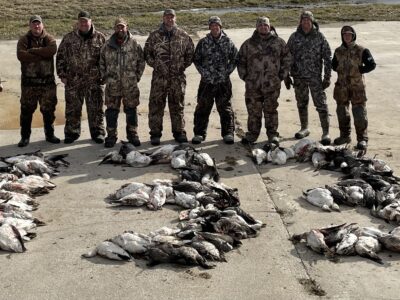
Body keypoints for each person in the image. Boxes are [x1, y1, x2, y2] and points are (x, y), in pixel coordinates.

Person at [144, 9, 194, 145]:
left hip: (177, 78)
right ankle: (155, 133)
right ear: (163, 18)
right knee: (156, 105)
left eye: (172, 17)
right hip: (159, 78)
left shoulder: (183, 35)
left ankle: (179, 132)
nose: (169, 19)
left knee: (177, 105)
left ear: (175, 18)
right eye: (167, 17)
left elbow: (190, 53)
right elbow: (147, 53)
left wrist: (182, 66)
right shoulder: (154, 36)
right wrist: (156, 65)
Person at [237, 17, 291, 145]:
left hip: (272, 85)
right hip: (253, 85)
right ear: (256, 27)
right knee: (253, 110)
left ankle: (272, 134)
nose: (263, 27)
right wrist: (245, 76)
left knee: (271, 110)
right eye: (260, 25)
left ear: (269, 26)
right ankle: (252, 134)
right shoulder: (248, 44)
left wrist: (281, 76)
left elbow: (287, 59)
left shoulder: (279, 42)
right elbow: (240, 61)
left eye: (265, 25)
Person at [56, 11, 106, 144]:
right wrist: (62, 75)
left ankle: (98, 133)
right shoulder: (69, 38)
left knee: (96, 109)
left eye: (86, 21)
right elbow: (60, 57)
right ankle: (72, 133)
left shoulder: (100, 38)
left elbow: (107, 59)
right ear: (78, 23)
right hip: (73, 81)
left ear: (91, 21)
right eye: (81, 21)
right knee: (72, 109)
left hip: (94, 81)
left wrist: (104, 76)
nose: (84, 24)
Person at [286, 11, 332, 145]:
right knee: (301, 103)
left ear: (312, 22)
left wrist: (327, 77)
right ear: (300, 22)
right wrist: (286, 76)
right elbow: (287, 57)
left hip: (315, 78)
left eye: (308, 20)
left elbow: (327, 57)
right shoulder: (294, 37)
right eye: (303, 20)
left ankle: (325, 132)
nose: (305, 22)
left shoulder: (319, 37)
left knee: (321, 105)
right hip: (298, 78)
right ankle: (304, 128)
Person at [100, 18, 145, 148]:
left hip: (130, 85)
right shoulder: (107, 45)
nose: (120, 29)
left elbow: (141, 61)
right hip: (112, 85)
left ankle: (132, 135)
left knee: (131, 110)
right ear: (114, 28)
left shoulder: (134, 44)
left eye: (122, 27)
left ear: (127, 27)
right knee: (111, 111)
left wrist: (136, 76)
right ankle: (111, 136)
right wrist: (105, 78)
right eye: (118, 27)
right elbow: (101, 63)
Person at [192, 16, 238, 145]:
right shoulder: (203, 42)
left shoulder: (228, 42)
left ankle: (228, 133)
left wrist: (227, 72)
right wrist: (204, 73)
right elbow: (196, 59)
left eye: (217, 25)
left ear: (220, 27)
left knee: (225, 108)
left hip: (223, 82)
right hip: (207, 81)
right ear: (209, 27)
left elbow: (235, 58)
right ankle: (199, 134)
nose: (215, 27)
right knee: (202, 107)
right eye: (212, 25)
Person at [16, 15, 60, 147]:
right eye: (34, 24)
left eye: (38, 24)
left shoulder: (49, 38)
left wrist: (34, 51)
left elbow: (52, 50)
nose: (36, 26)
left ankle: (49, 134)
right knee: (26, 111)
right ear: (30, 25)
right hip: (29, 84)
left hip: (47, 84)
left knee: (49, 110)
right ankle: (24, 137)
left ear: (42, 25)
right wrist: (42, 55)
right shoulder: (24, 40)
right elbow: (21, 55)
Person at [332, 25, 376, 150]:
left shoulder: (362, 50)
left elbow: (372, 64)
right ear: (342, 36)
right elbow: (333, 65)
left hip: (357, 88)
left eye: (349, 34)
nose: (347, 36)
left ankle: (362, 139)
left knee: (359, 113)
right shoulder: (338, 51)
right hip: (341, 88)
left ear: (353, 35)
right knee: (342, 112)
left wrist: (360, 69)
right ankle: (345, 136)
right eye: (344, 34)